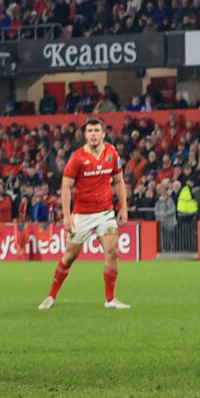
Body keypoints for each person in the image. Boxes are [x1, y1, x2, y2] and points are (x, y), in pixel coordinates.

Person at [38, 117, 131, 311]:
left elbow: (119, 181)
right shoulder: (77, 157)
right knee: (69, 256)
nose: (93, 134)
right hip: (82, 215)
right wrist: (67, 215)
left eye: (97, 130)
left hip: (105, 212)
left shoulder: (111, 153)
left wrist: (123, 207)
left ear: (104, 134)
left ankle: (110, 299)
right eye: (89, 131)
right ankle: (51, 295)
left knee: (113, 252)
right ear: (85, 135)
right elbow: (66, 187)